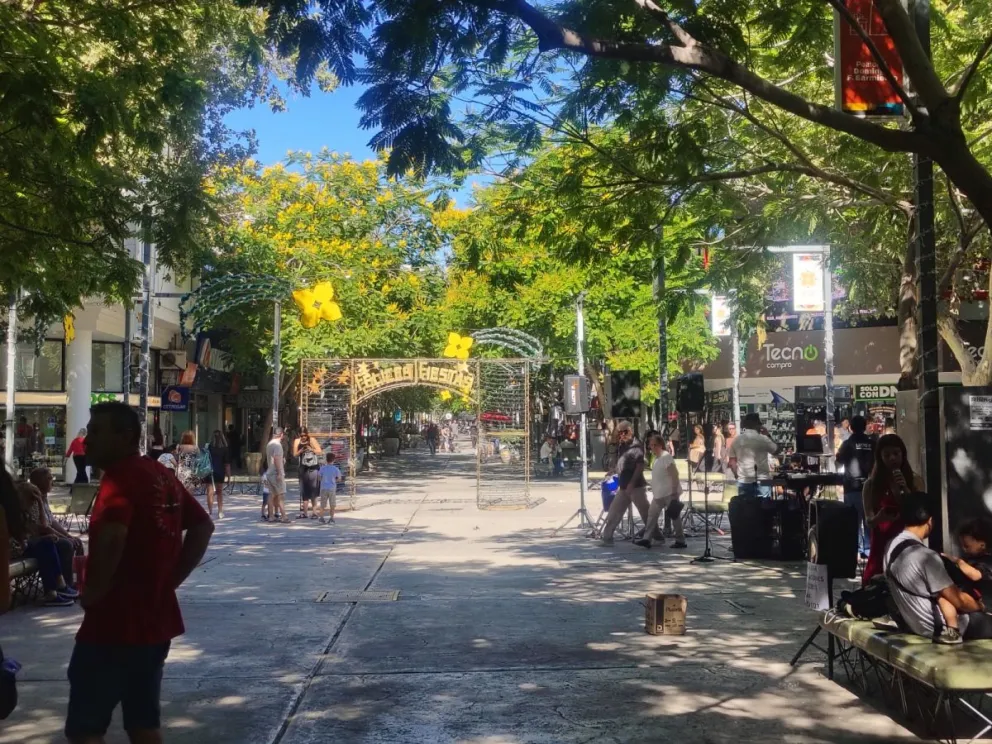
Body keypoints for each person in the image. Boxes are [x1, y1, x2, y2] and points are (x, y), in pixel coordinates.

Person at [65, 401, 214, 743]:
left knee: (86, 727)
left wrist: (94, 591)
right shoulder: (160, 475)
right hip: (155, 621)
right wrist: (170, 581)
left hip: (114, 622)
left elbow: (114, 536)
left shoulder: (119, 480)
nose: (87, 441)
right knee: (143, 722)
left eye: (98, 432)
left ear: (125, 436)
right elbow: (202, 526)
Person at [883, 491, 992, 644]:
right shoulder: (925, 557)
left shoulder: (891, 546)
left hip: (916, 624)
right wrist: (979, 605)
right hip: (940, 626)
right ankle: (954, 632)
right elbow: (960, 602)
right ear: (930, 521)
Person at [862, 433, 925, 585]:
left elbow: (921, 513)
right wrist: (879, 518)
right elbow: (869, 520)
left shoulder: (915, 480)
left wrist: (905, 489)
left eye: (896, 454)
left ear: (903, 454)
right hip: (881, 543)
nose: (892, 459)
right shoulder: (871, 485)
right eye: (887, 455)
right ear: (880, 458)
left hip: (907, 544)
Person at [13, 483, 76, 607]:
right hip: (15, 549)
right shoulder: (14, 513)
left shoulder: (28, 510)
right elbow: (21, 540)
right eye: (31, 499)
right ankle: (57, 587)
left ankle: (56, 588)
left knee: (52, 543)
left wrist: (40, 504)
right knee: (46, 543)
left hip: (25, 545)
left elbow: (43, 526)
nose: (33, 502)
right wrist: (43, 536)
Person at [600, 422, 651, 546]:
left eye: (624, 432)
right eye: (619, 432)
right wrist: (614, 470)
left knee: (646, 514)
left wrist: (632, 483)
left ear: (630, 431)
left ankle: (656, 536)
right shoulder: (622, 445)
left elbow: (639, 466)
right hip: (623, 485)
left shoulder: (636, 446)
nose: (621, 435)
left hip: (636, 486)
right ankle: (607, 538)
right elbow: (622, 463)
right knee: (614, 512)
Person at [635, 434, 686, 549]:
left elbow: (674, 474)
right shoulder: (657, 459)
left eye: (655, 445)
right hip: (658, 494)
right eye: (651, 445)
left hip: (669, 492)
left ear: (661, 445)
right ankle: (647, 539)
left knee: (675, 516)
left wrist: (674, 491)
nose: (652, 447)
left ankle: (680, 540)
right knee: (652, 515)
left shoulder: (666, 457)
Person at [29, 467, 84, 573]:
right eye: (49, 479)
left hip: (48, 536)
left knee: (76, 541)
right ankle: (65, 583)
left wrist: (69, 536)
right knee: (66, 545)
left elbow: (52, 522)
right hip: (39, 540)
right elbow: (44, 527)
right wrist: (66, 538)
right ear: (41, 481)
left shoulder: (44, 498)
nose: (52, 482)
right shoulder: (33, 499)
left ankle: (76, 579)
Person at [835, 415, 875, 558]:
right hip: (870, 488)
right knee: (869, 520)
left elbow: (838, 460)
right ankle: (868, 549)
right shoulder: (872, 443)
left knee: (854, 522)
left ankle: (857, 549)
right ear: (865, 427)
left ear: (850, 428)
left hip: (852, 487)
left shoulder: (847, 444)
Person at [727, 413, 778, 498]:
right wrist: (767, 434)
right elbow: (776, 451)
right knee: (763, 508)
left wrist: (737, 475)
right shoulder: (764, 439)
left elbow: (732, 463)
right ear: (758, 425)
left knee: (746, 509)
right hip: (763, 480)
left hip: (744, 480)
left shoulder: (736, 440)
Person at [942, 517, 992, 603]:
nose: (964, 549)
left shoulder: (987, 561)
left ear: (982, 545)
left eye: (967, 546)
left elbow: (975, 575)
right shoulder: (972, 559)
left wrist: (958, 562)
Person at [293, 427, 323, 519]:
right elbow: (294, 454)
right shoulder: (297, 441)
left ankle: (314, 512)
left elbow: (320, 451)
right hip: (303, 468)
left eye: (305, 435)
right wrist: (301, 451)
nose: (303, 437)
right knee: (304, 491)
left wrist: (311, 449)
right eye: (301, 436)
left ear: (307, 434)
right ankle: (305, 513)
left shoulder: (312, 440)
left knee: (314, 490)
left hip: (313, 468)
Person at [264, 427, 288, 523]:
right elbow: (277, 458)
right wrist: (279, 472)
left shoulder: (269, 444)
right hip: (275, 473)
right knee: (280, 495)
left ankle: (271, 516)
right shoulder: (277, 445)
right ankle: (284, 516)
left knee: (271, 495)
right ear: (281, 434)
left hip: (270, 471)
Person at [206, 430, 230, 519]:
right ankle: (220, 511)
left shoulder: (208, 447)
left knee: (209, 492)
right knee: (219, 492)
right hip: (220, 471)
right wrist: (228, 475)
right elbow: (227, 464)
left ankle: (210, 511)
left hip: (209, 471)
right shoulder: (225, 449)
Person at [318, 452, 343, 524]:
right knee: (332, 504)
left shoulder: (322, 468)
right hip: (332, 488)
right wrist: (334, 480)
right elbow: (339, 479)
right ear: (333, 460)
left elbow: (319, 477)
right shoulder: (335, 469)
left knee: (322, 504)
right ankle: (331, 518)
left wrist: (323, 479)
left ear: (326, 459)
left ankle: (321, 518)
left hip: (323, 488)